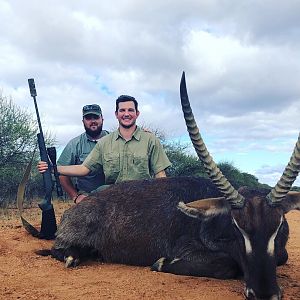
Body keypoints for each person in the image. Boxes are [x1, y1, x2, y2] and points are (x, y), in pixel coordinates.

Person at [38, 95, 171, 191]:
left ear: (137, 113)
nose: (126, 114)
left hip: (143, 196)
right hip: (112, 196)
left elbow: (160, 174)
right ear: (116, 114)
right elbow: (84, 169)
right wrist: (52, 168)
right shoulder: (105, 142)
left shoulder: (151, 140)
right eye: (122, 110)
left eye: (130, 110)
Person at [57, 104, 109, 203]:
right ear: (83, 121)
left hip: (113, 196)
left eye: (96, 117)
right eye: (88, 118)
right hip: (88, 199)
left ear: (102, 119)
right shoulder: (74, 144)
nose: (93, 121)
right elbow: (61, 173)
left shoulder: (114, 139)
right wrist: (75, 196)